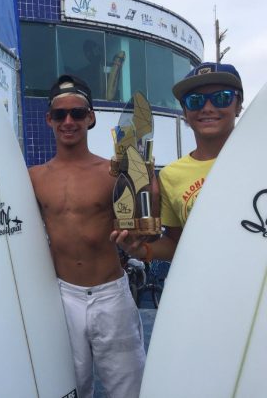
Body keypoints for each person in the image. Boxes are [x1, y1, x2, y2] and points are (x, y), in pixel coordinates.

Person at [28, 74, 146, 397]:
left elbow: (145, 217)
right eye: (60, 114)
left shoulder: (112, 172)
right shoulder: (33, 178)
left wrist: (143, 169)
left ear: (91, 117)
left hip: (111, 296)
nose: (69, 121)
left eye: (77, 113)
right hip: (61, 297)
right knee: (69, 389)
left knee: (129, 389)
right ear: (49, 119)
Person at [111, 62, 244, 262]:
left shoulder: (259, 158)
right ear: (185, 112)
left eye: (221, 98)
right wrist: (141, 250)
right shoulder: (170, 175)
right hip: (205, 286)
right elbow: (176, 244)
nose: (207, 108)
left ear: (238, 105)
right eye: (195, 101)